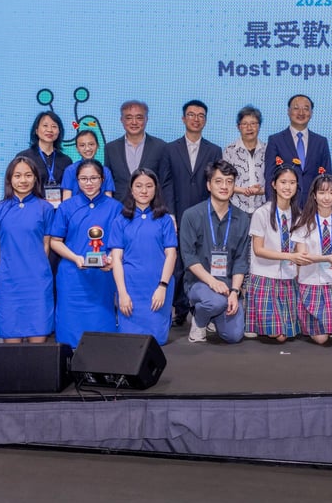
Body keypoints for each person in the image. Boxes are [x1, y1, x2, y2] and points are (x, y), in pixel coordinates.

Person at [160, 99, 222, 321]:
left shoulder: (214, 150)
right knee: (177, 262)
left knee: (201, 259)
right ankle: (179, 308)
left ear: (205, 120)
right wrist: (170, 214)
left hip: (203, 215)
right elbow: (165, 183)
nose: (196, 119)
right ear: (183, 118)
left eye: (201, 115)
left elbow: (216, 184)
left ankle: (198, 306)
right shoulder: (169, 149)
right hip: (177, 213)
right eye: (191, 114)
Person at [48, 159, 121, 348]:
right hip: (72, 275)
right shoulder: (66, 207)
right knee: (70, 325)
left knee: (102, 328)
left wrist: (112, 259)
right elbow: (55, 242)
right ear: (77, 180)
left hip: (102, 275)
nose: (89, 183)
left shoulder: (115, 207)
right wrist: (75, 258)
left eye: (94, 178)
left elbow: (119, 243)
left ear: (103, 179)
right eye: (83, 179)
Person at [178, 160, 250, 344]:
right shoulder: (191, 215)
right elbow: (188, 256)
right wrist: (212, 282)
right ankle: (200, 323)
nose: (224, 186)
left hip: (227, 285)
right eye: (218, 181)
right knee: (216, 302)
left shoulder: (242, 218)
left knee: (234, 336)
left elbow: (241, 259)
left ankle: (212, 317)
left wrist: (234, 292)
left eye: (229, 181)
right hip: (199, 282)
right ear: (209, 185)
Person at [0, 157, 54, 343]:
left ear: (35, 179)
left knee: (38, 342)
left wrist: (36, 268)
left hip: (38, 282)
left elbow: (46, 244)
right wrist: (8, 268)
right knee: (12, 344)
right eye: (17, 176)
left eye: (28, 175)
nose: (23, 180)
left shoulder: (45, 208)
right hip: (9, 283)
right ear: (10, 179)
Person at [109, 169, 178, 345]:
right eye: (138, 186)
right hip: (130, 288)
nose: (144, 191)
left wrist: (162, 286)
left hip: (157, 286)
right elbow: (116, 259)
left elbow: (171, 254)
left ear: (156, 189)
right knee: (129, 342)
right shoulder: (120, 220)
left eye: (149, 186)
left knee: (157, 341)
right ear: (131, 190)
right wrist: (122, 294)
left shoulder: (165, 220)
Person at [291, 172, 332, 344]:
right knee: (322, 338)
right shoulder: (302, 223)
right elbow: (301, 257)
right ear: (314, 195)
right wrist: (326, 258)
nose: (327, 197)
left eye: (331, 193)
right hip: (311, 284)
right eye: (322, 193)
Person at [246, 163, 303, 342]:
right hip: (264, 278)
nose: (287, 187)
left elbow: (300, 251)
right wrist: (290, 256)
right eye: (283, 182)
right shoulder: (261, 213)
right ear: (273, 184)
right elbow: (258, 250)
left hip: (288, 278)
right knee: (277, 335)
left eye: (292, 183)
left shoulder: (299, 215)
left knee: (285, 335)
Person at [263, 94, 332, 209]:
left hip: (314, 206)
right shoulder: (275, 140)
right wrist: (272, 205)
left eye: (306, 108)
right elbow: (270, 175)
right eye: (296, 108)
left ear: (311, 113)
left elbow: (327, 176)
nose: (301, 113)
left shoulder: (321, 142)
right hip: (284, 204)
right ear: (288, 112)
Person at [104, 100, 166, 202]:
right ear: (121, 120)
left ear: (146, 119)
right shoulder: (111, 148)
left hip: (151, 210)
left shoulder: (160, 146)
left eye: (139, 118)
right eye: (128, 118)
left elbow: (165, 183)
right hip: (120, 209)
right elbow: (108, 183)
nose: (134, 122)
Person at [17, 111, 73, 208]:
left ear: (59, 131)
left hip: (58, 212)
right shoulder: (24, 157)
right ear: (36, 130)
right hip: (31, 210)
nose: (49, 130)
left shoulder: (66, 160)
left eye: (54, 126)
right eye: (45, 125)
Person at [224, 105, 267, 215]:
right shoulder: (230, 151)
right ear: (238, 127)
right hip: (236, 208)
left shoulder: (268, 150)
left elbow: (274, 181)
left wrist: (260, 191)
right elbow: (224, 180)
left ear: (259, 126)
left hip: (263, 209)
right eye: (244, 124)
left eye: (253, 123)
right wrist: (244, 190)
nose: (249, 128)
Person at [60, 129, 115, 200]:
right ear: (77, 148)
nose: (87, 148)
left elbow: (108, 199)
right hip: (76, 210)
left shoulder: (105, 171)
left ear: (97, 145)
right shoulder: (70, 170)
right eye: (82, 145)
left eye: (91, 144)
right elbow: (66, 200)